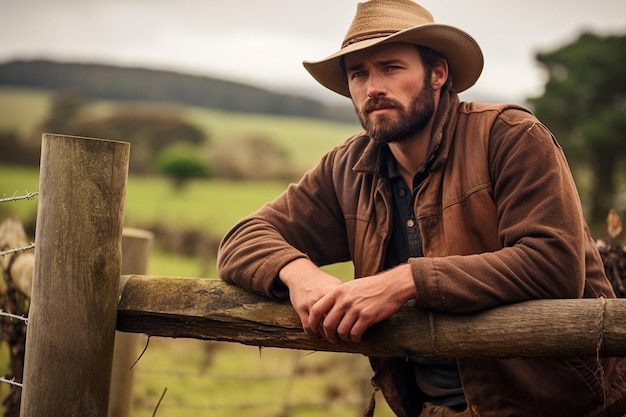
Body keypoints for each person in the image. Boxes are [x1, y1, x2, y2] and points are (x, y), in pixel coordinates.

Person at [217, 0, 626, 416]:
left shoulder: (509, 137)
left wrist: (403, 283)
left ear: (438, 74)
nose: (372, 87)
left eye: (390, 68)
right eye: (358, 73)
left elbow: (553, 265)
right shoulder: (348, 168)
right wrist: (299, 274)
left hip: (563, 407)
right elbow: (241, 238)